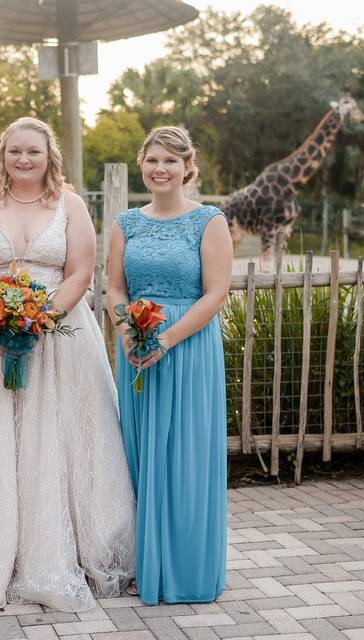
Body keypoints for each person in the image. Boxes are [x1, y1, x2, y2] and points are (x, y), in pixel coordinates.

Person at [0, 116, 135, 612]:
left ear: (50, 157)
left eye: (34, 152)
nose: (24, 160)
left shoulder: (69, 205)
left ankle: (63, 550)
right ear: (3, 155)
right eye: (15, 151)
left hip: (59, 339)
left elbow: (81, 271)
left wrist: (38, 320)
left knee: (56, 436)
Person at [106, 125, 231, 605]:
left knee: (186, 456)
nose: (160, 169)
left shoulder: (208, 221)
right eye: (153, 160)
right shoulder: (125, 224)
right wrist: (128, 332)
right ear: (143, 165)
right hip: (135, 346)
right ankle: (145, 562)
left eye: (170, 162)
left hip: (188, 347)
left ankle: (187, 569)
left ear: (187, 168)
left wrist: (166, 339)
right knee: (139, 455)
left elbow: (215, 293)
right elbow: (115, 287)